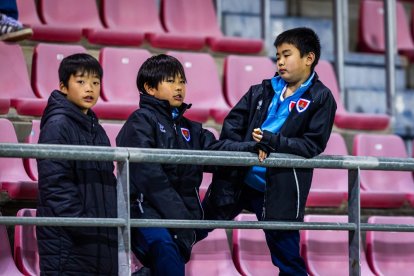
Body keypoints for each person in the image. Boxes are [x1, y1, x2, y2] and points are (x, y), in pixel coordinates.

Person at [199, 27, 337, 275]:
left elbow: (311, 145)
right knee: (191, 230)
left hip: (278, 189)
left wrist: (273, 141)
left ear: (309, 58)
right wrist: (246, 150)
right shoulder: (260, 90)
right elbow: (231, 126)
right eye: (277, 56)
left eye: (287, 54)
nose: (280, 61)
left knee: (287, 259)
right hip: (238, 180)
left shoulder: (321, 98)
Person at [116, 54, 224, 276]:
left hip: (179, 219)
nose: (179, 87)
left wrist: (253, 147)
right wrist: (182, 219)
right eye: (171, 81)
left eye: (182, 81)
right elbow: (149, 176)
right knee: (165, 249)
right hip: (145, 212)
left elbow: (220, 153)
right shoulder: (140, 121)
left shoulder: (191, 129)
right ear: (150, 88)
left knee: (166, 260)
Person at [36, 53, 118, 275]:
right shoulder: (57, 125)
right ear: (63, 86)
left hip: (98, 242)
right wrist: (88, 226)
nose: (89, 88)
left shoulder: (96, 129)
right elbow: (55, 186)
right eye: (81, 82)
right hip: (69, 245)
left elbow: (108, 183)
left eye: (95, 82)